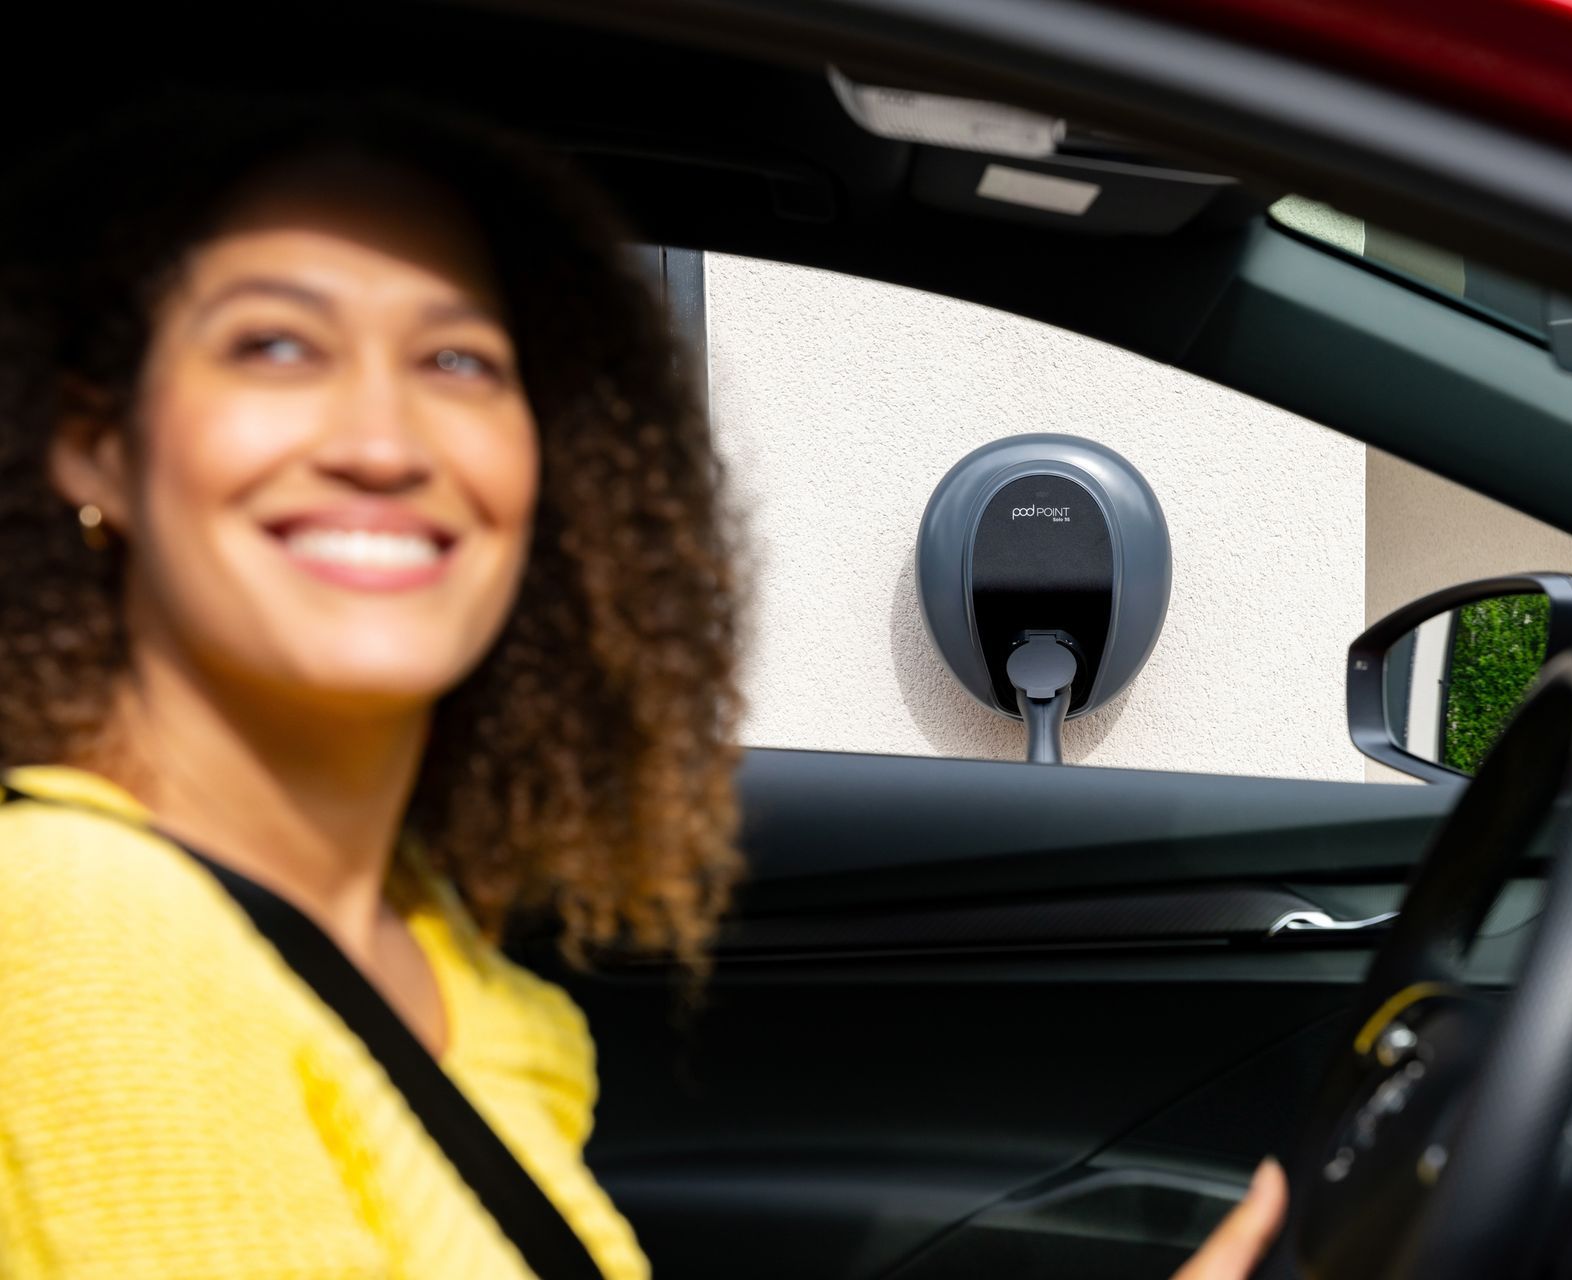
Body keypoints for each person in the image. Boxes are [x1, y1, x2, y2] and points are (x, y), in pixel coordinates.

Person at [0, 93, 1286, 1278]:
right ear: (93, 443)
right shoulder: (81, 927)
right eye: (276, 345)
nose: (383, 441)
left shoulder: (439, 949)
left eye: (460, 362)